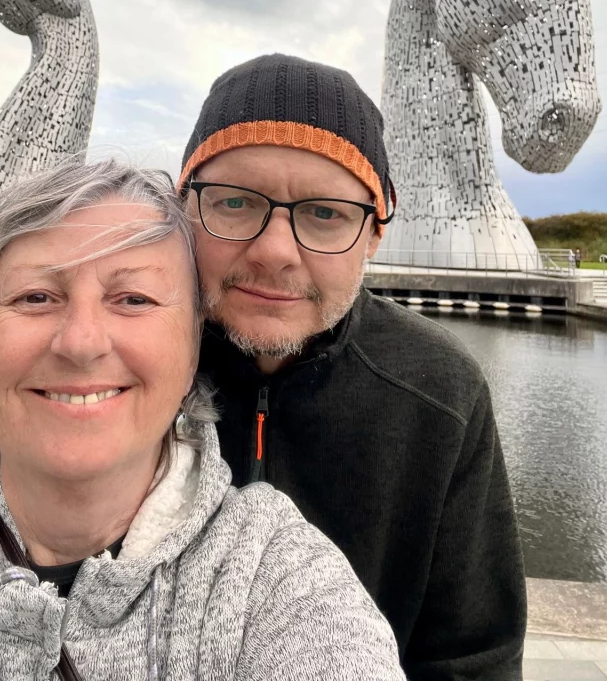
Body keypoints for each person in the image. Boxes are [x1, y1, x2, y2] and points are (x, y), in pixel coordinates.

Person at [0, 160, 405, 681]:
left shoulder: (274, 577)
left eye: (133, 299)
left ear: (193, 349)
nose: (80, 342)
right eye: (36, 296)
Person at [180, 53, 527, 681]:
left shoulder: (439, 390)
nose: (275, 252)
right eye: (234, 202)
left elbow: (474, 657)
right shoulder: (122, 365)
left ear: (375, 232)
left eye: (324, 213)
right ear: (185, 206)